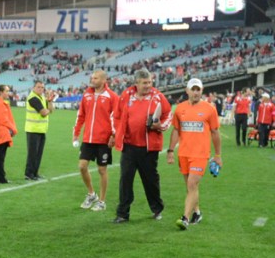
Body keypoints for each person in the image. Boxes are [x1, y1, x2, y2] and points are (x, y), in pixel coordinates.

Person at [112, 68, 170, 223]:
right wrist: (117, 133)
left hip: (149, 148)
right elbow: (116, 116)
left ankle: (157, 209)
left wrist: (160, 126)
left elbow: (167, 115)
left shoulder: (158, 97)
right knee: (125, 180)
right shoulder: (126, 95)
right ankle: (123, 214)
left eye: (150, 82)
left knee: (150, 180)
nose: (148, 85)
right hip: (129, 146)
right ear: (136, 83)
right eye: (144, 83)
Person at [167, 78, 222, 230]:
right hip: (184, 153)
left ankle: (185, 218)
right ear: (187, 91)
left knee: (192, 184)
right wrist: (171, 150)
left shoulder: (209, 109)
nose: (196, 92)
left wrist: (217, 155)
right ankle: (197, 212)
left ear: (202, 91)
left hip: (200, 154)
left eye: (198, 89)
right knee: (190, 187)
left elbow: (215, 132)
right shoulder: (179, 108)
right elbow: (176, 130)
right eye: (193, 89)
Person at [72, 70, 118, 212]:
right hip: (88, 138)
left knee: (101, 169)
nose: (92, 80)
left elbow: (117, 118)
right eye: (92, 77)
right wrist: (76, 134)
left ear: (104, 80)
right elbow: (81, 116)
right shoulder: (87, 94)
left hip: (104, 140)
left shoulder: (112, 97)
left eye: (96, 78)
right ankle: (92, 194)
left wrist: (114, 135)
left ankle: (102, 201)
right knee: (82, 166)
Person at [24, 81, 55, 181]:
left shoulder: (41, 98)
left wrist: (50, 101)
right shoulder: (33, 98)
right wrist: (48, 109)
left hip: (41, 129)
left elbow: (51, 110)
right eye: (38, 87)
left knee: (38, 153)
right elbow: (44, 112)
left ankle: (35, 173)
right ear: (33, 88)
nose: (41, 89)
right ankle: (29, 174)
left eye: (42, 87)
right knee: (32, 153)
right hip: (33, 129)